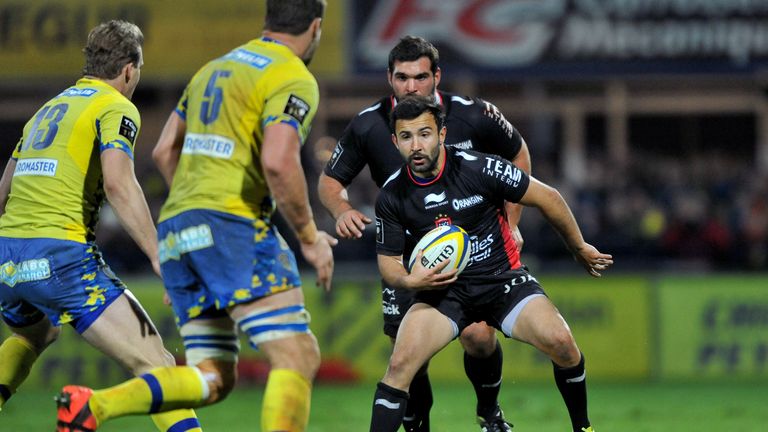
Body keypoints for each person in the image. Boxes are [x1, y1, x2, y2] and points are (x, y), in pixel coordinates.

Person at [52, 2, 335, 432]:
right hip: (231, 224)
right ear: (315, 27)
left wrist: (193, 215)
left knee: (214, 376)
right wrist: (310, 236)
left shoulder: (213, 69)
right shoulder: (292, 74)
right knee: (297, 354)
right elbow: (278, 161)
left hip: (178, 228)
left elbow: (166, 150)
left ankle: (94, 407)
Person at [318, 36, 530, 431]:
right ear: (389, 78)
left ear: (437, 76)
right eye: (401, 77)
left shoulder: (473, 113)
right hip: (405, 256)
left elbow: (518, 154)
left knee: (480, 339)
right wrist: (342, 208)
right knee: (407, 358)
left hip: (471, 252)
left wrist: (511, 224)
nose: (410, 86)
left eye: (419, 76)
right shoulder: (368, 124)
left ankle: (489, 414)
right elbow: (330, 181)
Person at [0, 20, 203, 432]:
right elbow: (119, 184)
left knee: (36, 334)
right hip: (62, 260)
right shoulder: (115, 106)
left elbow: (3, 190)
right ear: (129, 69)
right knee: (158, 366)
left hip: (7, 259)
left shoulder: (47, 111)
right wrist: (159, 255)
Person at [369, 97, 613, 432]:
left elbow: (548, 198)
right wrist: (412, 282)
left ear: (442, 134)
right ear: (395, 141)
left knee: (561, 342)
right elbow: (389, 265)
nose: (416, 145)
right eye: (407, 137)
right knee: (399, 366)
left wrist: (579, 247)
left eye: (424, 134)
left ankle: (583, 429)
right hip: (444, 292)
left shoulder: (478, 167)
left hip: (502, 281)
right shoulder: (392, 195)